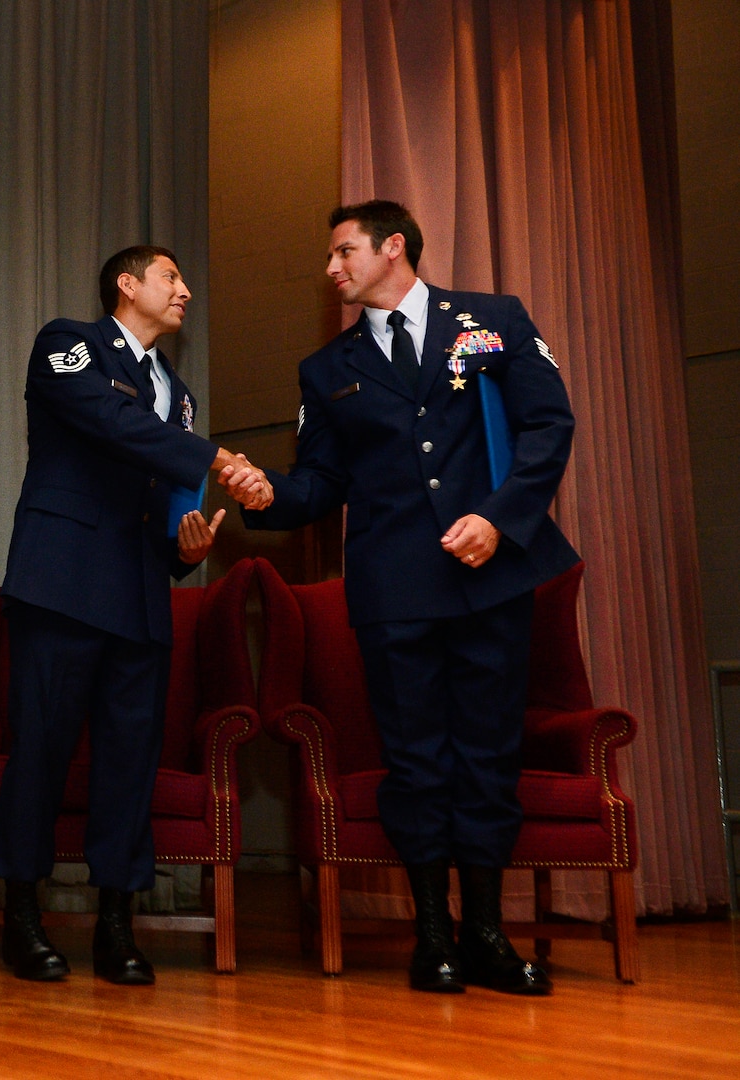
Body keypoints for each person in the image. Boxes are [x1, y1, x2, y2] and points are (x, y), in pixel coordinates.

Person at [220, 200, 577, 995]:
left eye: (344, 251)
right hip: (394, 593)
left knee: (487, 758)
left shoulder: (492, 321)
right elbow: (319, 485)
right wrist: (262, 491)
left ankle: (486, 934)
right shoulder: (328, 369)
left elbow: (549, 427)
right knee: (416, 763)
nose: (332, 268)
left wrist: (499, 518)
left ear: (393, 248)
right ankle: (433, 938)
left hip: (490, 578)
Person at [0, 245, 254, 985]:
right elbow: (109, 421)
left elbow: (167, 509)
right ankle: (21, 919)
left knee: (128, 765)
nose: (186, 292)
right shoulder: (69, 343)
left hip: (140, 597)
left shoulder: (181, 395)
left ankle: (116, 927)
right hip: (63, 583)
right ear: (127, 282)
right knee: (40, 752)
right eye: (174, 277)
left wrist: (187, 547)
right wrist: (213, 458)